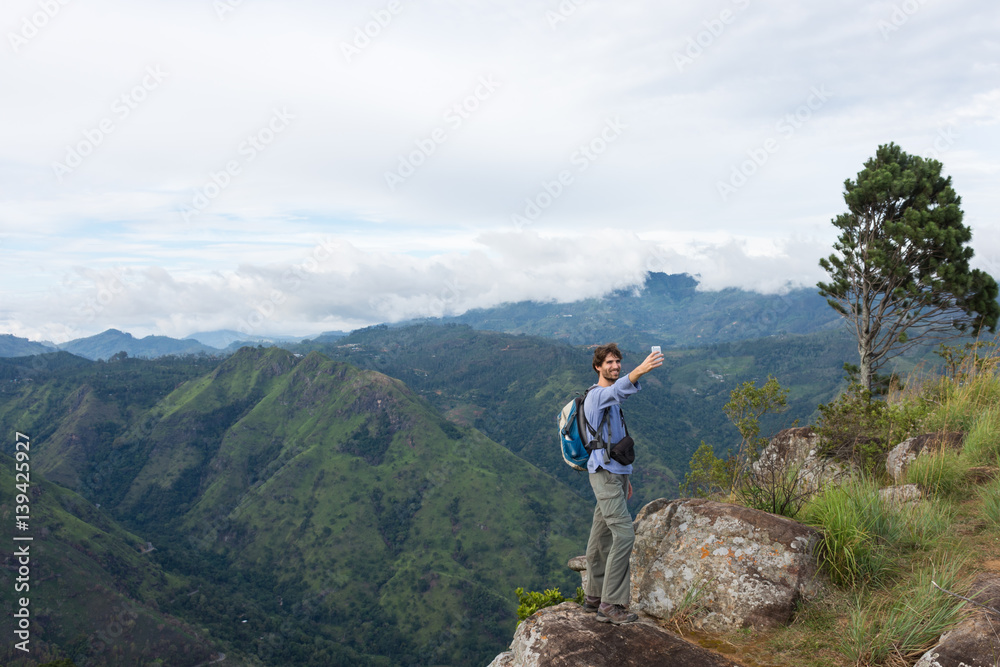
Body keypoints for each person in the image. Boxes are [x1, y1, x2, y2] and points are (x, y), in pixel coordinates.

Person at [581, 343, 662, 624]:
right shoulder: (597, 396)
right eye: (610, 363)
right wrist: (641, 369)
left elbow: (615, 442)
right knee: (625, 535)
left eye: (618, 362)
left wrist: (625, 478)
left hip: (613, 475)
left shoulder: (610, 400)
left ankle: (592, 596)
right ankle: (610, 604)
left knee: (601, 537)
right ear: (597, 367)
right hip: (604, 476)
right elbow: (616, 390)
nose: (615, 366)